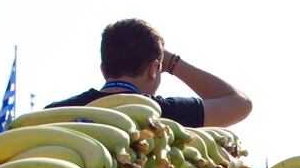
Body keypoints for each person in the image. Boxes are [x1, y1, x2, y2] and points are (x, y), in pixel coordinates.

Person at [47, 18, 252, 128]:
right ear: (154, 69)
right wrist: (173, 63)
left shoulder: (55, 112)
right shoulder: (164, 113)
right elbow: (240, 104)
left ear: (103, 69)